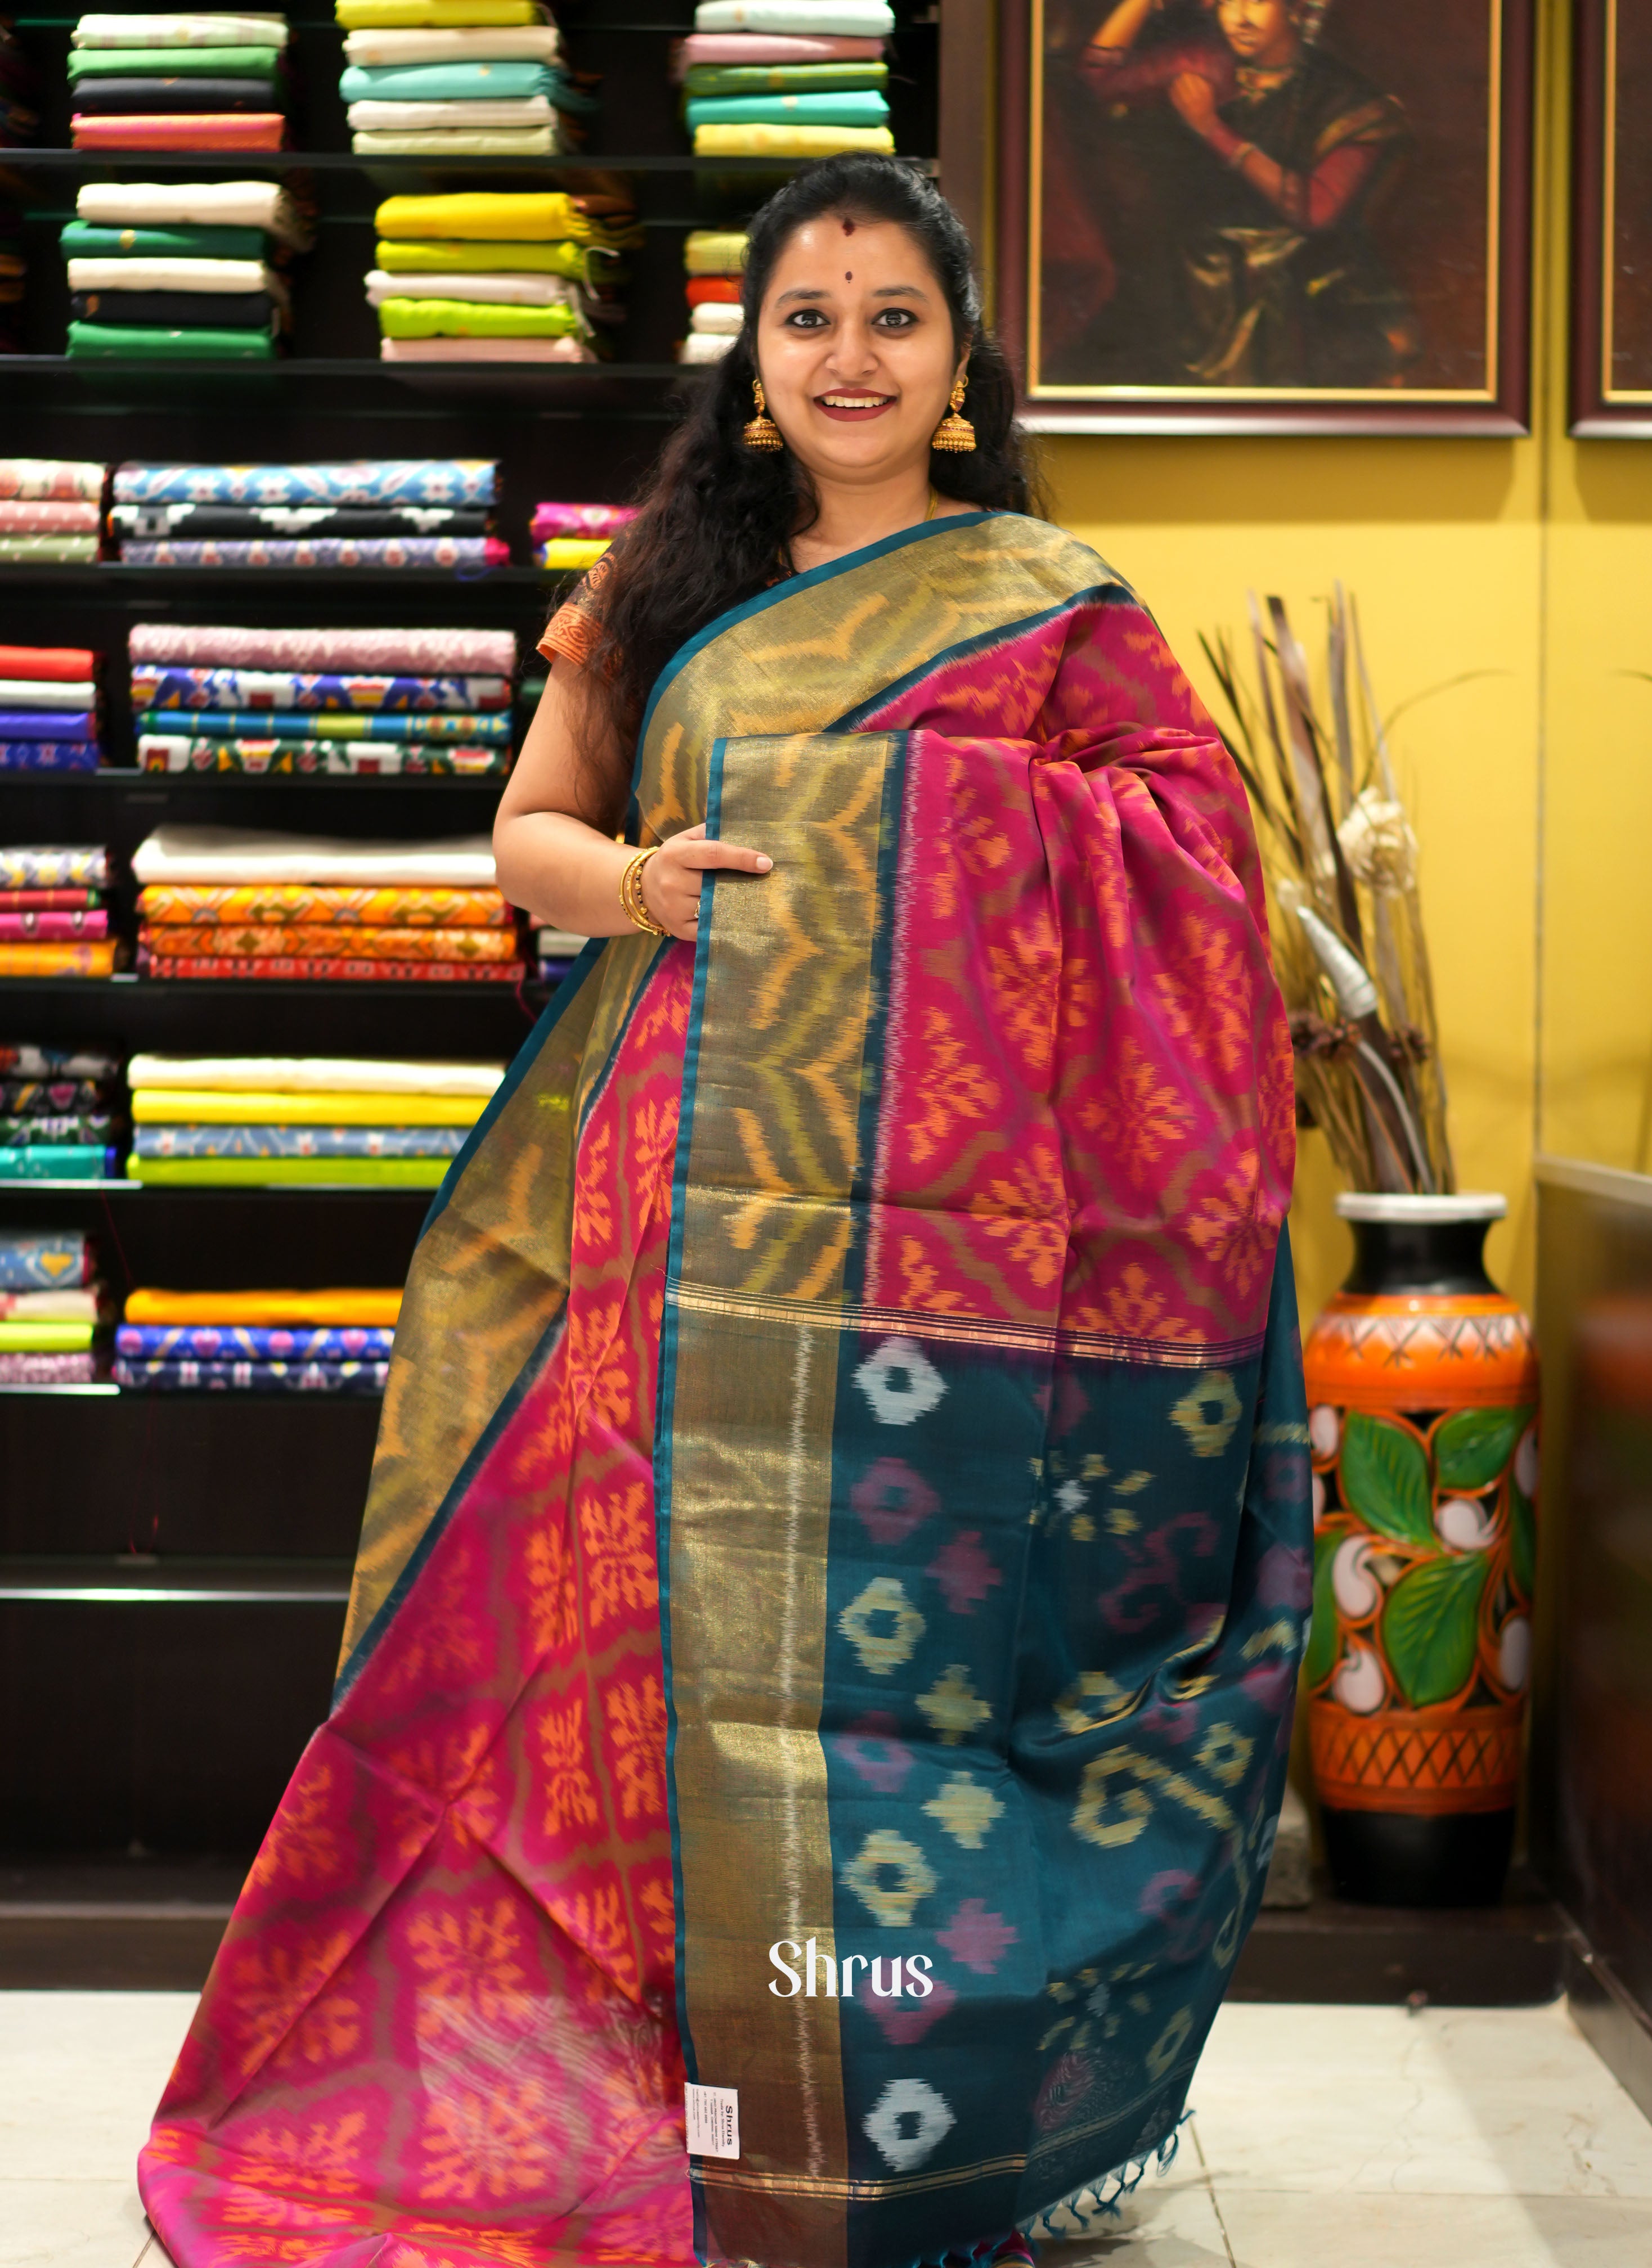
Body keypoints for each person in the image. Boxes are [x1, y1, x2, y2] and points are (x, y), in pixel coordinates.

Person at [138, 153, 1309, 2268]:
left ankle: (875, 2121)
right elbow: (527, 837)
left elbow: (1192, 877)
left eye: (890, 317)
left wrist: (944, 823)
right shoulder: (657, 581)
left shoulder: (1053, 602)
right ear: (749, 359)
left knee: (922, 1675)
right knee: (647, 1653)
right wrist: (651, 883)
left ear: (957, 362)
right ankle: (653, 2099)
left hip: (956, 1270)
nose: (847, 353)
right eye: (806, 316)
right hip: (674, 1209)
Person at [1056, 0, 1413, 386]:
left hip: (1304, 285)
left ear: (1296, 8)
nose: (1239, 18)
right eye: (1228, 2)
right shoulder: (1203, 62)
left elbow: (1316, 210)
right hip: (1197, 282)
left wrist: (1213, 130)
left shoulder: (1347, 99)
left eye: (1256, 1)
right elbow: (1093, 79)